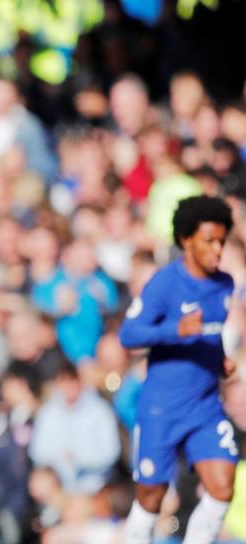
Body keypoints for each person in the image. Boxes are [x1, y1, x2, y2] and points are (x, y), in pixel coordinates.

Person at [119, 195, 240, 544]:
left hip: (204, 405)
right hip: (162, 408)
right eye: (209, 241)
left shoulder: (224, 284)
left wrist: (219, 360)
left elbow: (211, 332)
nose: (217, 249)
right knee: (151, 498)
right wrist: (174, 330)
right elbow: (129, 334)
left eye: (221, 240)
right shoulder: (165, 283)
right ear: (186, 239)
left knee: (221, 487)